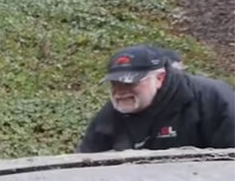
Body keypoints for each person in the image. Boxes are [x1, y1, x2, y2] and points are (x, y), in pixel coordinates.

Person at [77, 44, 235, 153]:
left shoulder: (212, 99)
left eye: (130, 83)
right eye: (115, 84)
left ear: (159, 78)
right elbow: (87, 164)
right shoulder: (111, 114)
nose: (120, 92)